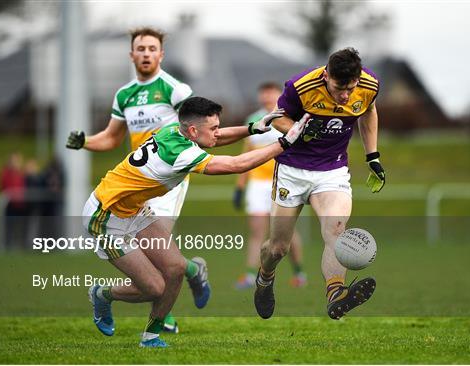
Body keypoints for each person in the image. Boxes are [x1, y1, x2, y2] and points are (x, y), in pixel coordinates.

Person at [82, 96, 308, 347]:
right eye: (212, 128)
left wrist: (254, 127)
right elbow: (235, 164)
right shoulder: (180, 153)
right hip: (105, 217)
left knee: (176, 269)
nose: (216, 133)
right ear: (192, 130)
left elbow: (217, 137)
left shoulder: (175, 130)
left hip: (133, 210)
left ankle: (151, 336)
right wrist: (285, 142)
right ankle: (102, 293)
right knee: (154, 287)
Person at [66, 27, 194, 333]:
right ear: (132, 54)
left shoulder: (175, 90)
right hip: (135, 182)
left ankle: (161, 316)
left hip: (166, 183)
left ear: (161, 54)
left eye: (152, 48)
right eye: (141, 48)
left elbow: (199, 128)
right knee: (157, 269)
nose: (146, 53)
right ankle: (159, 301)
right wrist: (85, 141)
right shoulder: (124, 94)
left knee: (164, 259)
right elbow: (111, 138)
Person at [253, 47, 386, 320]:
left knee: (336, 231)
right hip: (292, 169)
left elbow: (369, 111)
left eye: (351, 87)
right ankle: (265, 279)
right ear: (326, 76)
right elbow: (276, 118)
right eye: (339, 88)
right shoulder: (301, 86)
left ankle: (336, 294)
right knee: (278, 248)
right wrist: (299, 131)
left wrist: (372, 155)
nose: (346, 95)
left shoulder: (370, 85)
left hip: (333, 170)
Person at [233, 82, 306, 289]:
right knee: (257, 232)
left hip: (282, 183)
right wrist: (240, 187)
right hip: (257, 185)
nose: (267, 97)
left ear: (279, 95)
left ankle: (299, 272)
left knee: (287, 233)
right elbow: (245, 156)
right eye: (263, 93)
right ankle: (249, 276)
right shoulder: (253, 120)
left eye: (271, 93)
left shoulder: (289, 119)